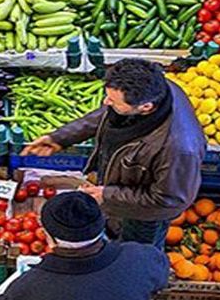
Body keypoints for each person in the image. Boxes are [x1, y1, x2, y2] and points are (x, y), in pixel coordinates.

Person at [22, 58, 205, 250]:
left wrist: (108, 195)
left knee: (136, 251)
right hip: (122, 188)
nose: (105, 102)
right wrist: (61, 138)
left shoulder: (179, 149)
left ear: (146, 107)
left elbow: (169, 201)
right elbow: (108, 114)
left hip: (144, 215)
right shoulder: (155, 88)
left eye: (113, 100)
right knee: (115, 232)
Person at [0, 192, 169, 300]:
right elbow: (160, 280)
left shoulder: (28, 289)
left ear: (48, 235)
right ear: (101, 224)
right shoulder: (143, 258)